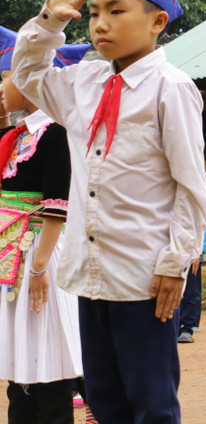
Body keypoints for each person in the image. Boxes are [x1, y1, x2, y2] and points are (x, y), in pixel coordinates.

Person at [11, 0, 206, 423]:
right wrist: (50, 20)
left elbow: (190, 186)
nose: (100, 23)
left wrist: (176, 261)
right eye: (95, 12)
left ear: (157, 21)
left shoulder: (171, 89)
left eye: (116, 11)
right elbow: (28, 76)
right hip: (89, 272)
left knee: (152, 402)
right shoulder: (84, 81)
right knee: (103, 398)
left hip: (144, 276)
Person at [0, 28, 89, 424]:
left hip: (40, 255)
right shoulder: (17, 136)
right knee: (19, 367)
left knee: (48, 362)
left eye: (5, 78)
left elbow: (56, 207)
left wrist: (39, 268)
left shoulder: (56, 133)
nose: (2, 87)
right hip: (13, 259)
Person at [177, 207, 206, 343]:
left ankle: (187, 328)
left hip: (192, 253)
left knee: (191, 291)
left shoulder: (200, 199)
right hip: (172, 252)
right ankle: (173, 327)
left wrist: (199, 252)